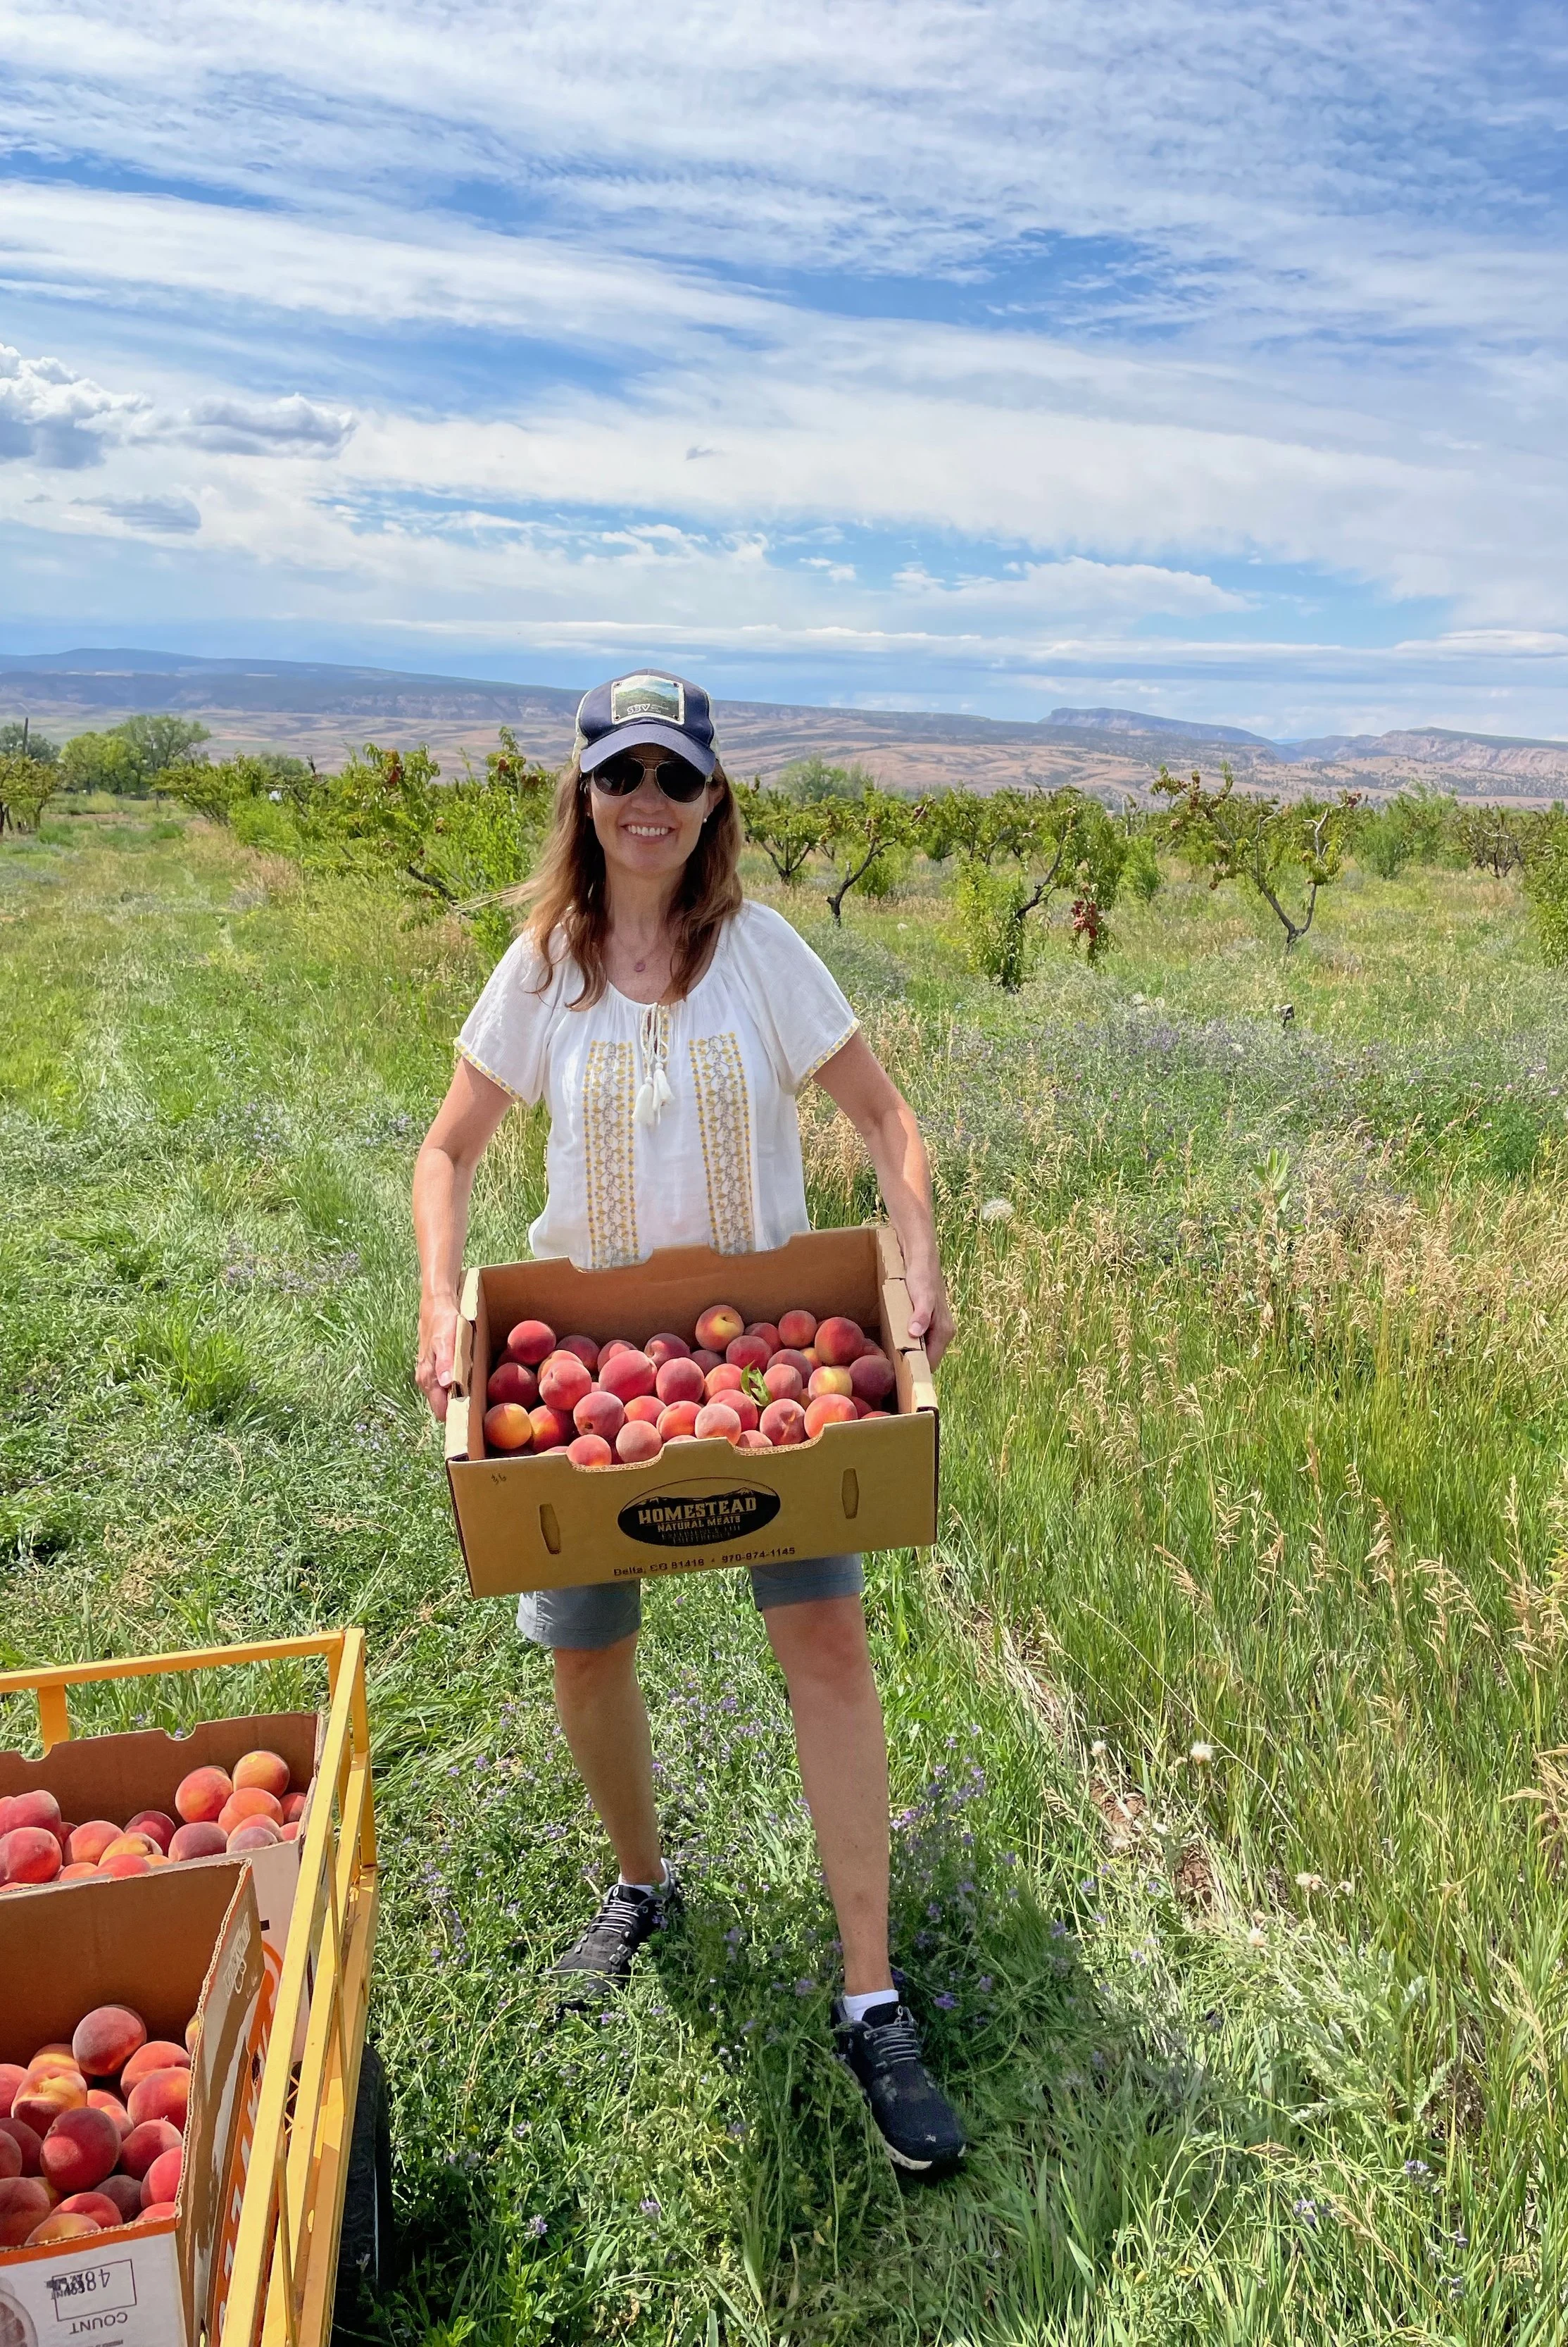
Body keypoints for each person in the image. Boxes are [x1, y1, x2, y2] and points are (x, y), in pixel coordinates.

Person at [412, 670, 965, 2177]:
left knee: (827, 1646)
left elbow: (886, 1121)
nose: (643, 799)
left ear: (714, 797)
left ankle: (869, 1993)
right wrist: (435, 1305)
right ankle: (644, 1883)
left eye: (672, 774)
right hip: (580, 1375)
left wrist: (915, 1264)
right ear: (581, 798)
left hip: (772, 1378)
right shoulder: (542, 967)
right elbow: (448, 1150)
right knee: (586, 1646)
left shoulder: (762, 955)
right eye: (617, 774)